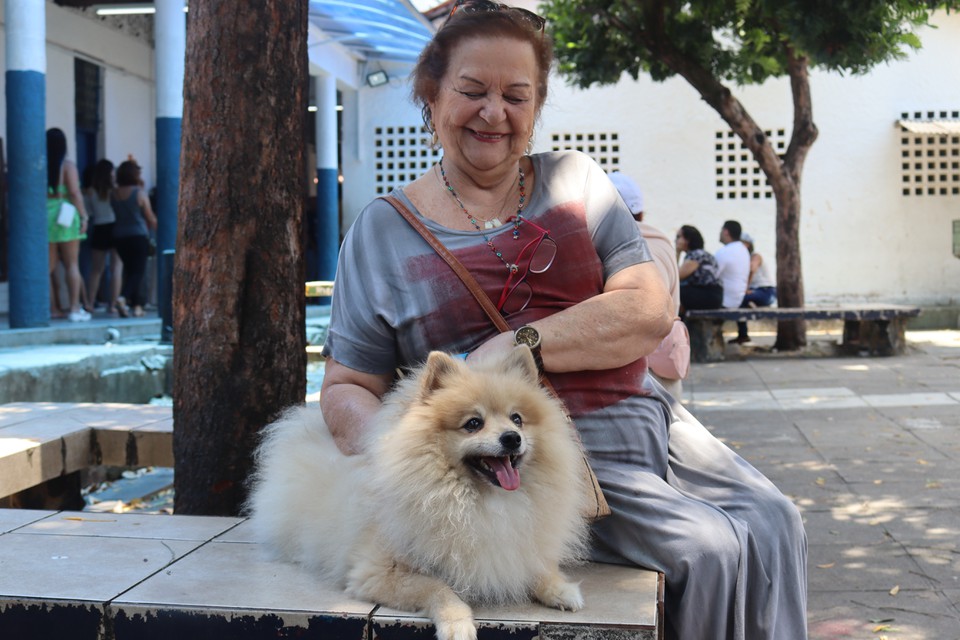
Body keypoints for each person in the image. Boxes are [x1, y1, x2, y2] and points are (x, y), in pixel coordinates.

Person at [319, 4, 807, 639]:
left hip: (656, 421)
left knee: (778, 520)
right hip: (542, 460)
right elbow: (346, 387)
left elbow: (648, 310)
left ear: (537, 106)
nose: (495, 113)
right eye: (472, 91)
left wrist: (518, 343)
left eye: (516, 96)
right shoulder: (382, 233)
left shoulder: (576, 182)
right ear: (432, 94)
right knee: (708, 549)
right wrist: (395, 466)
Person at [608, 171, 688, 398]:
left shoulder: (599, 244)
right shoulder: (662, 242)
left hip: (625, 372)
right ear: (641, 213)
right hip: (667, 361)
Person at [46, 128, 91, 322]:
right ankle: (74, 308)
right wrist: (84, 216)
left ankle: (51, 308)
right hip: (65, 216)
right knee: (72, 264)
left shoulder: (41, 164)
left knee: (47, 267)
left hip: (46, 216)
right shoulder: (67, 166)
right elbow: (74, 193)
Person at [111, 160, 157, 318]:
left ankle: (137, 306)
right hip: (138, 235)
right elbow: (149, 216)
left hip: (119, 236)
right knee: (138, 271)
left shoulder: (114, 193)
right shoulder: (139, 192)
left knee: (130, 271)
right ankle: (123, 298)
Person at [83, 159, 127, 317]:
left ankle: (89, 302)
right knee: (117, 268)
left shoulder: (90, 191)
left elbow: (88, 213)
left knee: (96, 269)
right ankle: (113, 304)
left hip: (100, 228)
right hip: (115, 227)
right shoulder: (115, 191)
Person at [732, 232, 777, 344]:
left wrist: (745, 288)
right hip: (756, 291)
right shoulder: (743, 259)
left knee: (740, 299)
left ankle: (743, 334)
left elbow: (752, 270)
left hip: (766, 291)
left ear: (747, 244)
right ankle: (743, 334)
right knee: (739, 301)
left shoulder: (755, 257)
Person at [676, 224, 724, 312]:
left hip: (708, 296)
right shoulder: (702, 254)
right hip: (713, 297)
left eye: (678, 237)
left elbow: (675, 277)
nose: (676, 240)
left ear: (687, 240)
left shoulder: (696, 255)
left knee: (673, 292)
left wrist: (677, 252)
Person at [714, 219, 751, 309]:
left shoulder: (724, 251)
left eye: (721, 230)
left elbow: (712, 276)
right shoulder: (743, 250)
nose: (720, 233)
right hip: (738, 299)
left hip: (724, 301)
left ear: (726, 232)